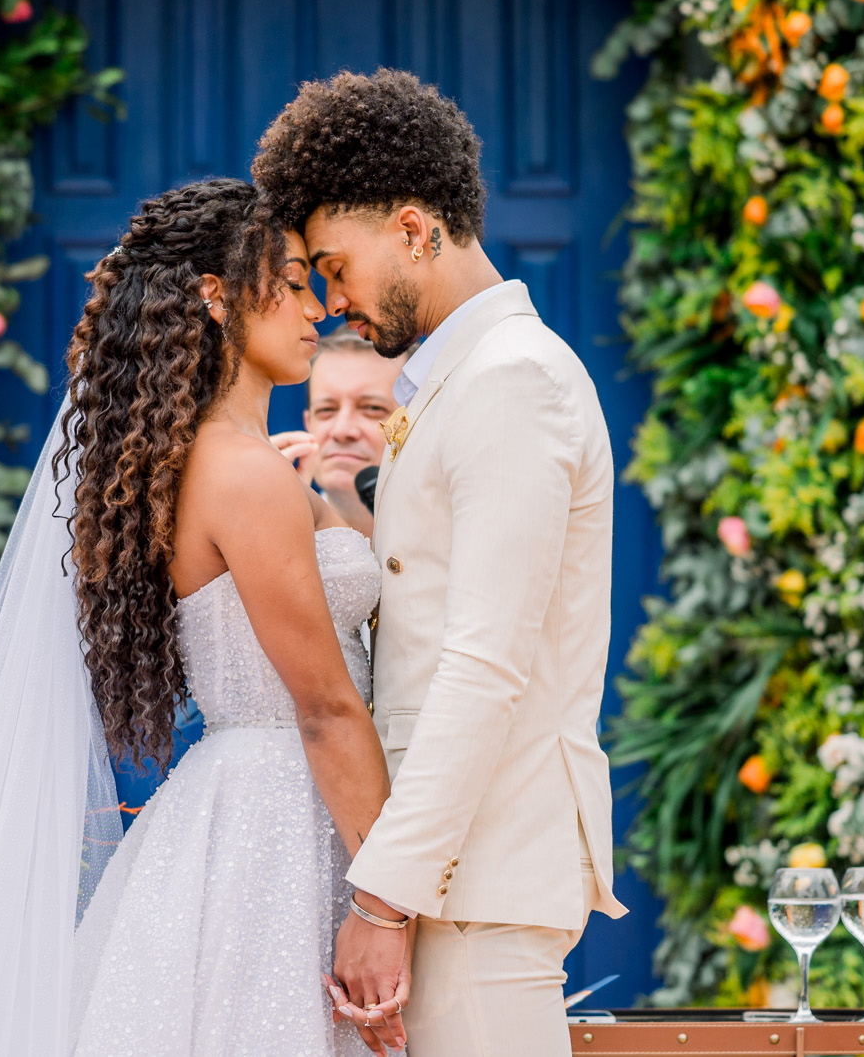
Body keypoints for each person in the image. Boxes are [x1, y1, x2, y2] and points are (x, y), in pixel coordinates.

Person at [0, 178, 406, 1057]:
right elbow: (325, 707)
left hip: (244, 809)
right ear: (216, 297)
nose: (317, 306)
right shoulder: (244, 473)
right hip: (281, 820)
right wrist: (385, 902)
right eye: (289, 282)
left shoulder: (213, 462)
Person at [254, 68, 626, 1057]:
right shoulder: (455, 382)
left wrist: (381, 900)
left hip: (482, 872)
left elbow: (484, 663)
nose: (329, 301)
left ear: (413, 230)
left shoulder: (514, 382)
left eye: (335, 267)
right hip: (446, 873)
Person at [273, 327, 405, 536]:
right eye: (326, 410)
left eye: (372, 408)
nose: (342, 430)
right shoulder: (271, 530)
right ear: (308, 424)